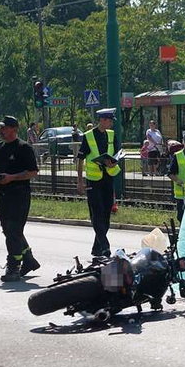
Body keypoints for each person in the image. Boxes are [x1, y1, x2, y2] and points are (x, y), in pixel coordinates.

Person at [0, 116, 40, 282]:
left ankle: (13, 266)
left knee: (13, 230)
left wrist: (11, 177)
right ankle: (28, 259)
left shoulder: (24, 148)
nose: (1, 131)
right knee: (9, 230)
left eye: (4, 128)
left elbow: (32, 172)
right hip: (3, 196)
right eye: (1, 128)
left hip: (19, 195)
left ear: (14, 129)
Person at [76, 108, 121, 257]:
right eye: (109, 120)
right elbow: (80, 159)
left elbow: (116, 154)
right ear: (102, 120)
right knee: (97, 213)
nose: (111, 123)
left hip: (108, 178)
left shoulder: (111, 135)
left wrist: (113, 162)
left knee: (107, 212)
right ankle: (105, 246)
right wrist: (80, 181)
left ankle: (97, 248)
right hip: (93, 180)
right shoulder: (88, 136)